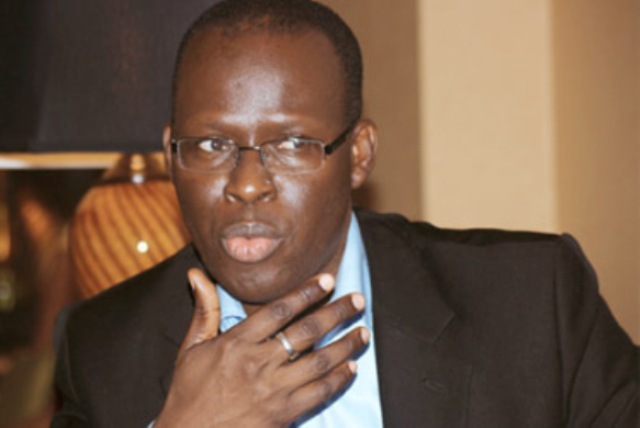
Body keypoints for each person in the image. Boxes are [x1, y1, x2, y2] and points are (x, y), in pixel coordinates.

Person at [52, 0, 638, 426]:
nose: (247, 185)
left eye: (291, 144)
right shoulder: (101, 350)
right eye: (210, 145)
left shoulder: (533, 303)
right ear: (170, 155)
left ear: (358, 155)